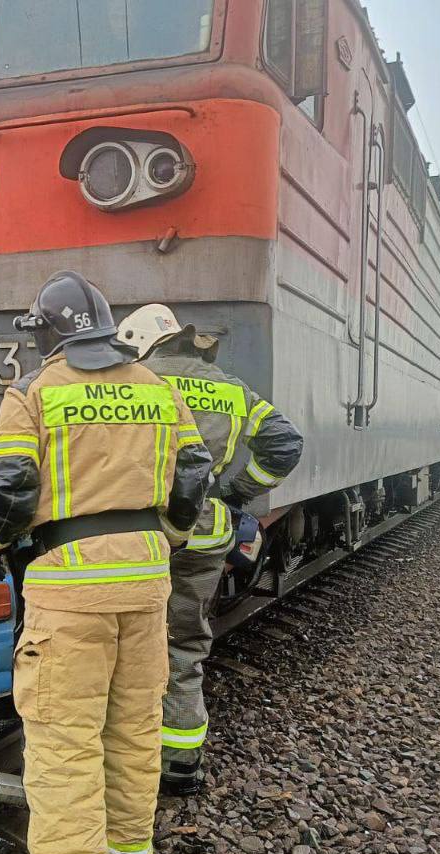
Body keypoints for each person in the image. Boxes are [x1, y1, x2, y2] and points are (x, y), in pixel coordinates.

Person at [0, 272, 213, 854]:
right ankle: (130, 848)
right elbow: (194, 474)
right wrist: (168, 537)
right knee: (134, 723)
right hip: (147, 580)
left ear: (49, 332)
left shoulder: (33, 394)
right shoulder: (159, 391)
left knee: (64, 738)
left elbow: (6, 486)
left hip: (68, 590)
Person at [116, 304, 304, 795]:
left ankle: (124, 764)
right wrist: (238, 492)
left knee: (124, 646)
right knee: (183, 644)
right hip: (205, 534)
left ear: (140, 343)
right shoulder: (229, 386)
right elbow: (284, 444)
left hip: (143, 536)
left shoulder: (134, 381)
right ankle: (180, 763)